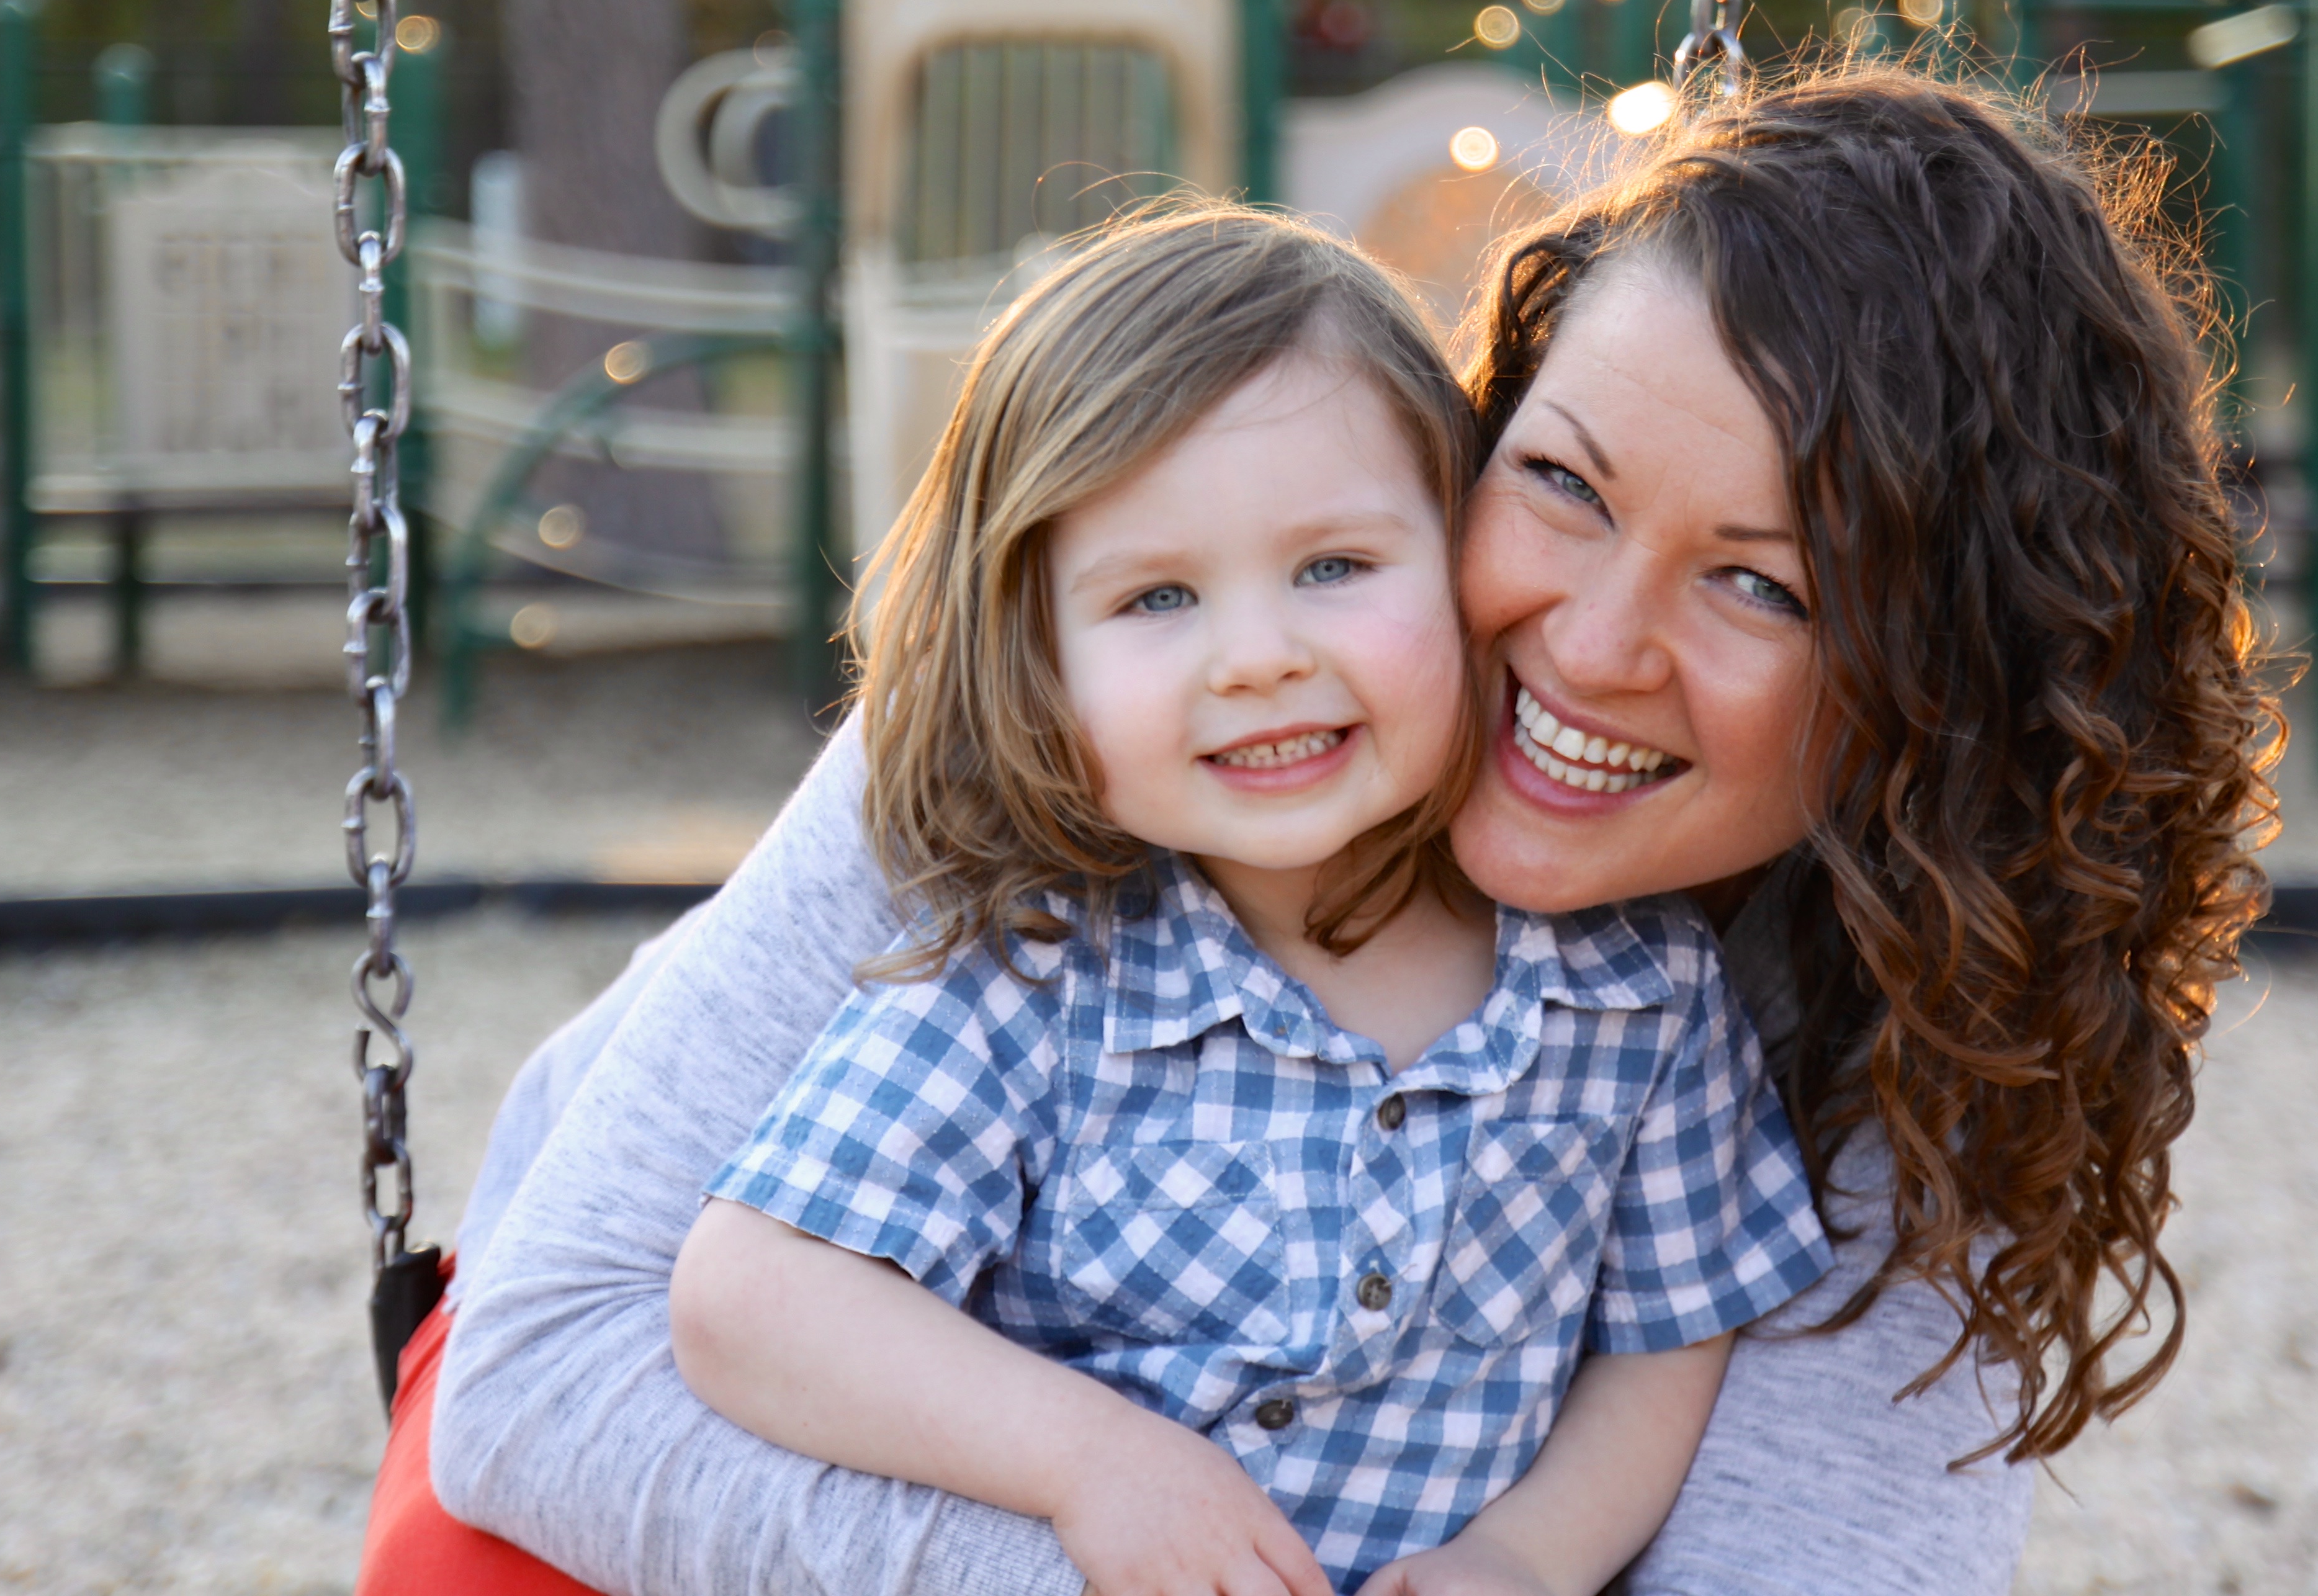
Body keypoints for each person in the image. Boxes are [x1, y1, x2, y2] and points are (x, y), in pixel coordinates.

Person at [375, 65, 2273, 1596]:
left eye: (1761, 587)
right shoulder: (1109, 733)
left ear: (1950, 698)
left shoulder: (1875, 1018)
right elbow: (563, 1384)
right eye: (1562, 482)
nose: (1589, 649)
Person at [665, 212, 1831, 1596]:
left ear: (1460, 553)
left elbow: (1669, 1333)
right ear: (1038, 665)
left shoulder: (1641, 986)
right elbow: (752, 1297)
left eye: (1333, 568)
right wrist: (1088, 1463)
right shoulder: (1038, 969)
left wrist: (1529, 1556)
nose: (1258, 659)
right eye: (1158, 597)